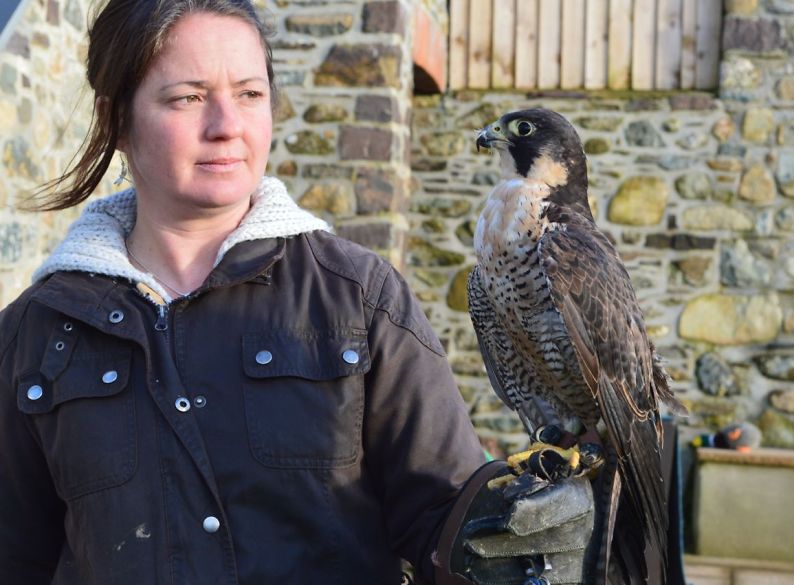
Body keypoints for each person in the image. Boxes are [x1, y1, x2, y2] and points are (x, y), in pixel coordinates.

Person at [0, 1, 591, 584]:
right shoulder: (36, 332)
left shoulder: (361, 299)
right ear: (116, 120)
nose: (227, 124)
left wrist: (511, 539)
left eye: (251, 94)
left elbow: (443, 523)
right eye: (188, 97)